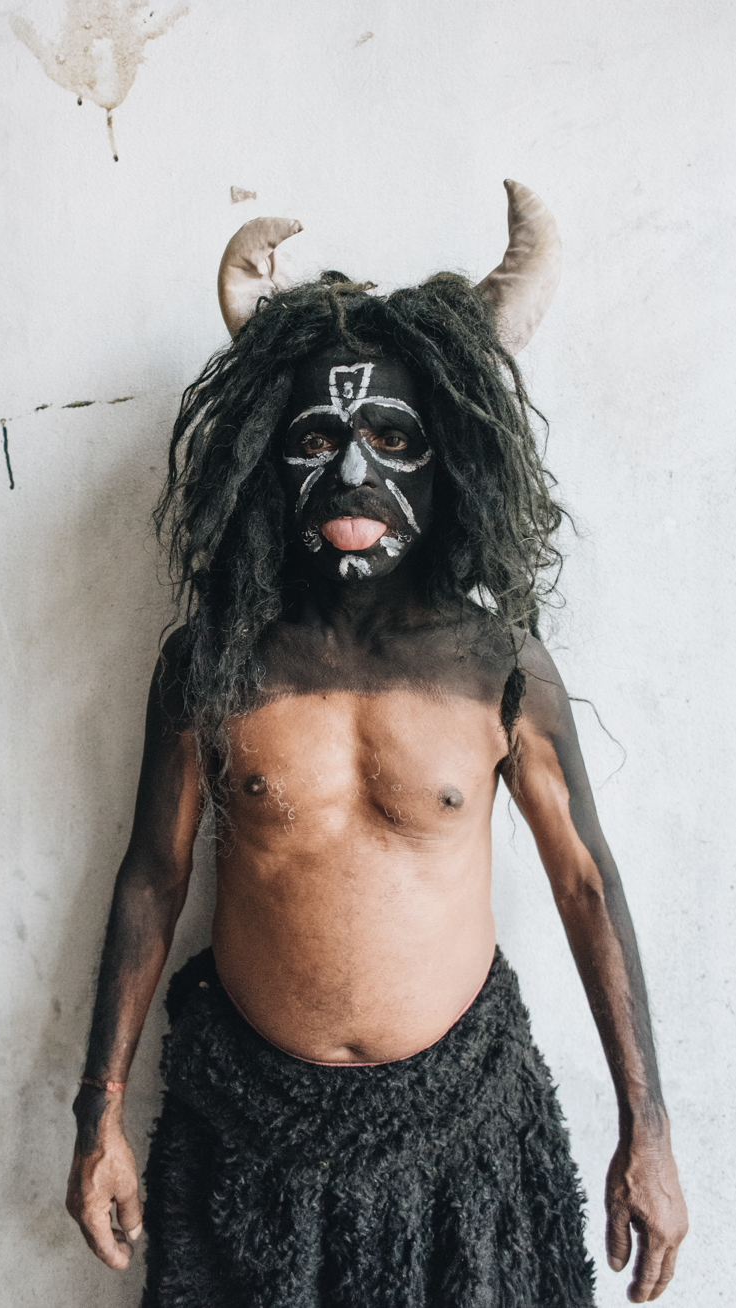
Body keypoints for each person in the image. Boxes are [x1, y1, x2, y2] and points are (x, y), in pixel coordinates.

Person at [65, 184, 688, 1307]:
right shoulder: (211, 662)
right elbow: (153, 877)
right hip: (247, 1129)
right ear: (266, 463)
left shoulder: (498, 667)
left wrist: (647, 1131)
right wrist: (96, 1114)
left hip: (464, 1130)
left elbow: (585, 884)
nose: (354, 474)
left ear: (451, 462)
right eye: (317, 439)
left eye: (392, 438)